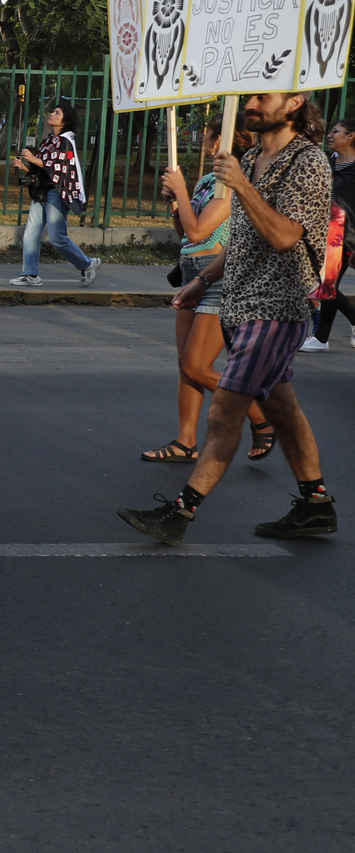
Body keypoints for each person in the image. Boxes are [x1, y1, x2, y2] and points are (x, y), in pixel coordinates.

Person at [119, 91, 337, 545]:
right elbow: (240, 241)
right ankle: (316, 504)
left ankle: (180, 513)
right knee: (284, 409)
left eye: (261, 96)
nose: (251, 103)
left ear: (295, 102)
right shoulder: (253, 156)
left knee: (225, 413)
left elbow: (283, 237)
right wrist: (201, 282)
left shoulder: (308, 162)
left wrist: (241, 186)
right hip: (238, 303)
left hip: (276, 308)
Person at [144, 118, 272, 462]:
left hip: (217, 278)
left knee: (199, 365)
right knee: (186, 365)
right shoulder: (206, 182)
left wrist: (182, 190)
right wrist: (175, 202)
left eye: (209, 133)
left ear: (222, 140)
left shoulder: (232, 186)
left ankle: (261, 417)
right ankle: (185, 442)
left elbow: (201, 232)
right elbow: (186, 232)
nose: (203, 137)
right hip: (190, 272)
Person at [8, 102, 102, 288]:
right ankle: (30, 274)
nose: (51, 114)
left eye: (56, 113)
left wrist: (34, 159)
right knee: (30, 234)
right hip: (41, 191)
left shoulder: (66, 141)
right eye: (53, 111)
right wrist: (25, 166)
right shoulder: (50, 140)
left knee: (57, 238)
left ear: (65, 121)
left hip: (57, 194)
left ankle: (88, 264)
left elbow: (60, 166)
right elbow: (43, 168)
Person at [300, 116, 355, 350]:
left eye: (336, 131)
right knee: (323, 283)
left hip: (347, 234)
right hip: (322, 231)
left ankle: (321, 338)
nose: (330, 135)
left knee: (326, 283)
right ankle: (322, 337)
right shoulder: (327, 163)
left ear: (351, 136)